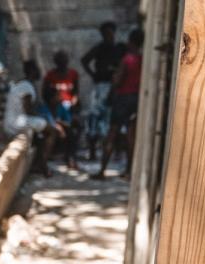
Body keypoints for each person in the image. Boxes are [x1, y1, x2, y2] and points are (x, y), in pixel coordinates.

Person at [96, 28, 144, 180]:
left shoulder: (127, 59)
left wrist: (112, 85)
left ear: (130, 42)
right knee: (131, 137)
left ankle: (102, 170)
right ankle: (128, 171)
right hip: (136, 99)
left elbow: (117, 81)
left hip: (122, 99)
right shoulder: (143, 59)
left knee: (112, 134)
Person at [81, 21, 126, 161]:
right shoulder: (99, 48)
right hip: (100, 87)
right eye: (105, 33)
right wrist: (94, 74)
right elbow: (84, 60)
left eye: (110, 32)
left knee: (115, 120)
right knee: (94, 119)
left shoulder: (119, 49)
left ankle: (116, 151)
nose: (108, 35)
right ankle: (93, 152)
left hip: (115, 87)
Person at [4, 60, 57, 177]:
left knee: (41, 133)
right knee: (52, 131)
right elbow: (28, 110)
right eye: (37, 69)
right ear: (32, 71)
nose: (39, 72)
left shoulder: (22, 84)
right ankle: (42, 165)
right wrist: (42, 117)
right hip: (17, 122)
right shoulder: (27, 86)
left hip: (14, 120)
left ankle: (40, 164)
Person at [43, 50, 80, 169]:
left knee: (75, 128)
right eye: (60, 61)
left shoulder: (73, 74)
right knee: (67, 129)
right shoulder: (50, 75)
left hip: (68, 108)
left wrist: (74, 102)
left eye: (64, 60)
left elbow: (76, 92)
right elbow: (45, 93)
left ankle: (70, 156)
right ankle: (66, 157)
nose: (62, 63)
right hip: (55, 110)